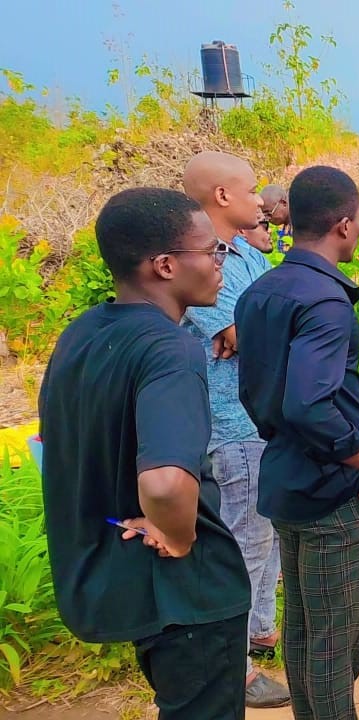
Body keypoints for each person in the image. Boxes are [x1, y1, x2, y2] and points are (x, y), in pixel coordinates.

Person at [39, 187, 250, 720]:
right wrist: (178, 537)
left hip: (115, 572)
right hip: (186, 594)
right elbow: (163, 483)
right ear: (164, 265)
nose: (222, 261)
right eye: (212, 251)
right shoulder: (170, 349)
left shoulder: (82, 332)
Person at [236, 166, 359, 720]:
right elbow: (309, 404)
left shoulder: (261, 288)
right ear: (343, 225)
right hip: (331, 490)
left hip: (285, 477)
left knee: (306, 627)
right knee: (337, 643)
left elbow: (261, 394)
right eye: (357, 223)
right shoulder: (326, 301)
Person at [180, 151, 290, 709]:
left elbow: (266, 323)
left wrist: (254, 329)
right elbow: (247, 332)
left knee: (263, 532)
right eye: (251, 192)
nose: (262, 203)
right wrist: (252, 330)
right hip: (231, 423)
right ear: (222, 197)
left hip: (258, 417)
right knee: (244, 542)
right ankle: (237, 668)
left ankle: (260, 630)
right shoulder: (205, 261)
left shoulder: (247, 252)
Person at [260, 183, 292, 253]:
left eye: (269, 213)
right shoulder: (285, 228)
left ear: (283, 203)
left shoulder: (303, 227)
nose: (267, 219)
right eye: (264, 216)